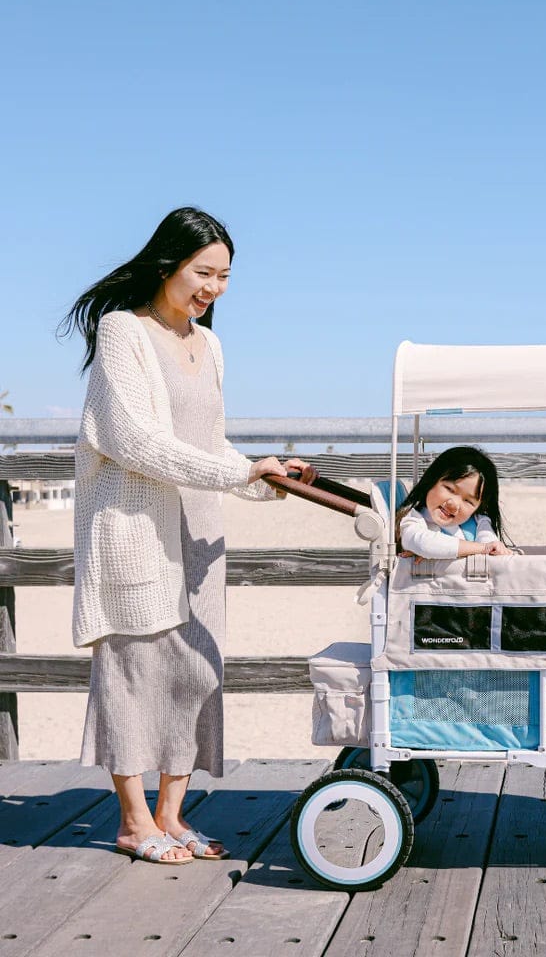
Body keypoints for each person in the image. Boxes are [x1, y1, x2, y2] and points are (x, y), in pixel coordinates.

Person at [60, 207, 316, 865]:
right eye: (204, 272)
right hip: (135, 528)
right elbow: (134, 440)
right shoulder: (124, 330)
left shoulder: (211, 344)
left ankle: (171, 815)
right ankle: (133, 820)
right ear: (167, 263)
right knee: (132, 673)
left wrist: (264, 477)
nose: (214, 287)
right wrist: (238, 472)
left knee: (196, 674)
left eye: (225, 276)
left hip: (201, 533)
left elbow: (209, 445)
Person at [397, 445, 514, 560]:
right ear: (431, 480)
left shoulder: (479, 522)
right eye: (450, 489)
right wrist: (483, 548)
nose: (453, 504)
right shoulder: (413, 519)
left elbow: (492, 549)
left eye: (468, 501)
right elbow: (423, 544)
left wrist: (490, 548)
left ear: (479, 507)